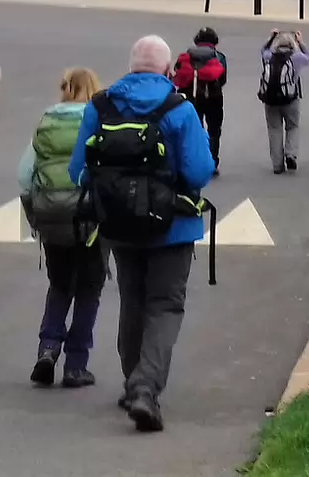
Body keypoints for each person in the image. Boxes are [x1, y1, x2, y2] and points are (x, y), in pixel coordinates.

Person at [71, 35, 214, 432]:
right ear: (168, 71)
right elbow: (199, 171)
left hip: (118, 225)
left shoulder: (101, 106)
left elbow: (78, 170)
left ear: (129, 67)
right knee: (165, 305)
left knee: (132, 301)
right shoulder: (179, 109)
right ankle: (145, 388)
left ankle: (132, 381)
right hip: (172, 227)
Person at [17, 67, 107, 389]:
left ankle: (48, 348)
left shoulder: (47, 121)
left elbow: (24, 175)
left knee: (59, 285)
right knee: (89, 289)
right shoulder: (99, 120)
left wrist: (38, 211)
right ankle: (75, 365)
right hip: (89, 217)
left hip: (52, 216)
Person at [172, 29, 228, 174]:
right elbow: (222, 80)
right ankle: (213, 161)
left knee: (194, 130)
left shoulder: (187, 56)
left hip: (191, 97)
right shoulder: (219, 57)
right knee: (214, 130)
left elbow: (178, 76)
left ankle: (194, 162)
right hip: (214, 98)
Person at [258, 30, 309, 176]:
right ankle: (290, 154)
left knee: (274, 129)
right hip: (290, 98)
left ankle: (277, 165)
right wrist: (301, 42)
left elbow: (263, 50)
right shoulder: (296, 58)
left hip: (270, 100)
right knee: (292, 127)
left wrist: (270, 38)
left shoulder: (269, 56)